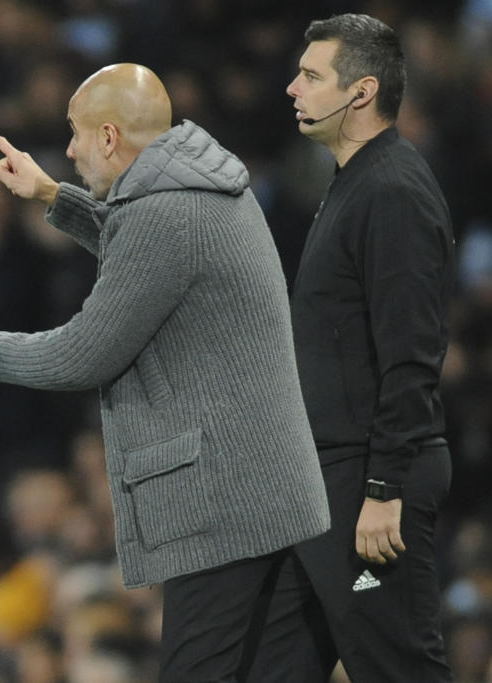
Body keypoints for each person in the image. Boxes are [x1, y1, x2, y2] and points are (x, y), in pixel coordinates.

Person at [0, 63, 331, 682]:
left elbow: (83, 353)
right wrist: (54, 195)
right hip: (272, 494)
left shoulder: (164, 218)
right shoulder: (203, 187)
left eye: (76, 135)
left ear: (109, 138)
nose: (70, 150)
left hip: (224, 506)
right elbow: (142, 248)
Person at [244, 14, 455, 682]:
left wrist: (382, 487)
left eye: (310, 75)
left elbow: (411, 355)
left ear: (360, 92)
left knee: (399, 669)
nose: (291, 88)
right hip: (326, 483)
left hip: (366, 483)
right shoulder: (354, 180)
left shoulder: (391, 189)